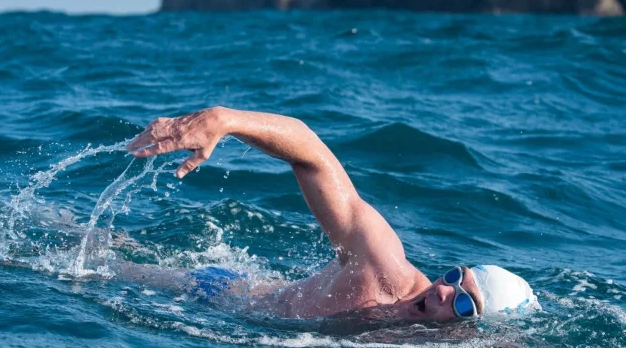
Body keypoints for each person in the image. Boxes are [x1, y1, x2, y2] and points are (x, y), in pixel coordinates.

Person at [125, 106, 538, 321]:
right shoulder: (384, 269)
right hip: (217, 294)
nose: (444, 291)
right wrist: (224, 120)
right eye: (454, 277)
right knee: (95, 266)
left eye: (465, 305)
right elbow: (312, 157)